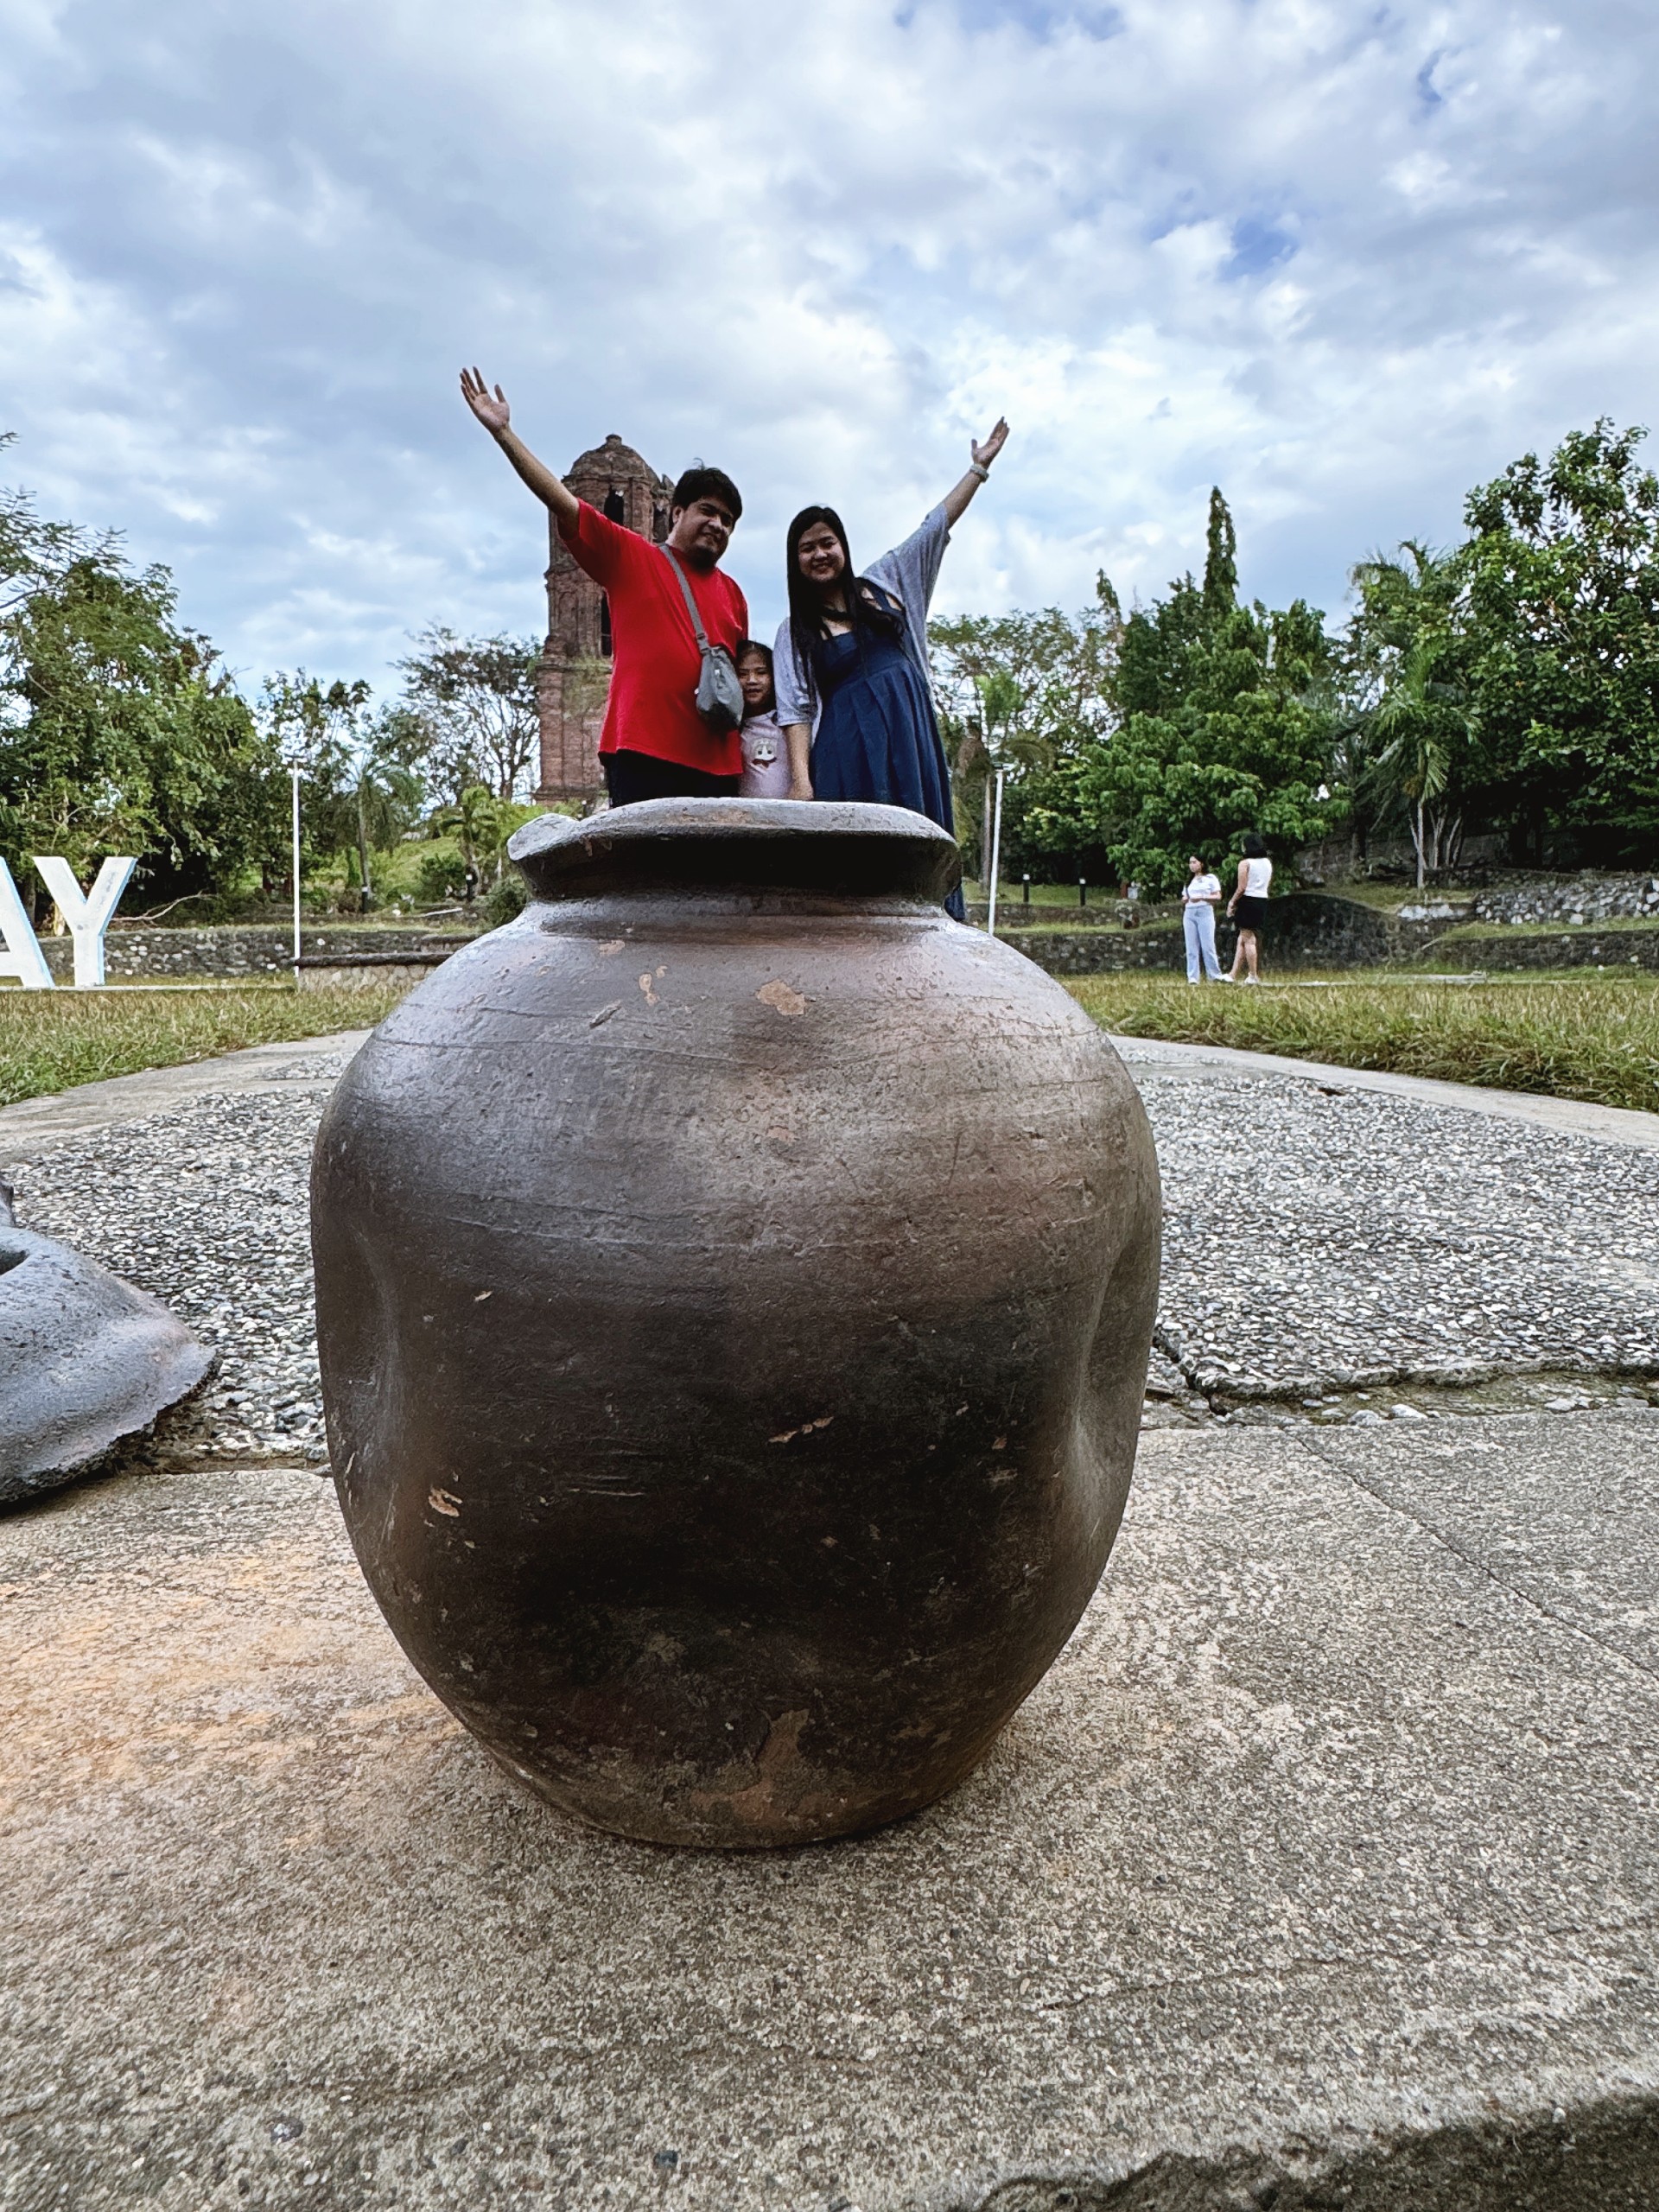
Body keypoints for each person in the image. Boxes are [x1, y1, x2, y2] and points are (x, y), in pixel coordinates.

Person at [459, 367, 748, 804]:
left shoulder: (734, 594)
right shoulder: (632, 557)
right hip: (645, 755)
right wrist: (504, 434)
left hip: (719, 764)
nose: (718, 524)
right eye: (707, 510)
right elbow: (561, 501)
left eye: (728, 521)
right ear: (675, 512)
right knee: (639, 874)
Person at [772, 419, 1011, 923]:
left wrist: (978, 469)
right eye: (807, 547)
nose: (819, 554)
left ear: (843, 546)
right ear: (795, 561)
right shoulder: (793, 631)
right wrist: (801, 782)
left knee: (919, 834)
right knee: (860, 854)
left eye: (827, 542)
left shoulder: (885, 582)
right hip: (846, 748)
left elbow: (934, 526)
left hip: (909, 734)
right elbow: (794, 709)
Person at [735, 642, 791, 798]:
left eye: (761, 672)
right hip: (746, 817)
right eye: (742, 674)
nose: (752, 680)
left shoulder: (788, 724)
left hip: (788, 814)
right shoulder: (732, 729)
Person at [1223, 831, 1273, 983]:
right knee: (1242, 938)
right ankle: (1233, 974)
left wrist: (1232, 902)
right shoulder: (1267, 863)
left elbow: (1242, 887)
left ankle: (1253, 975)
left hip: (1248, 900)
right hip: (1262, 899)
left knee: (1249, 939)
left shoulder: (1245, 863)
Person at [1181, 855, 1223, 982]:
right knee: (1191, 947)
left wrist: (1202, 897)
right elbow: (1184, 897)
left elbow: (1217, 896)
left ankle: (1214, 975)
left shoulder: (1210, 878)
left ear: (1201, 863)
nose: (1192, 865)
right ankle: (1193, 977)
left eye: (1194, 862)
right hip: (1190, 912)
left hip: (1204, 911)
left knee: (1208, 946)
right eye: (1190, 863)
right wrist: (1187, 899)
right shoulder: (1189, 882)